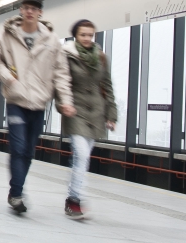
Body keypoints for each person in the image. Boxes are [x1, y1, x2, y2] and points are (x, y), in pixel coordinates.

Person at [0, 0, 75, 214]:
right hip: (16, 100)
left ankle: (15, 191)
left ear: (40, 13)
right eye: (26, 8)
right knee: (18, 148)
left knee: (28, 151)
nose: (30, 12)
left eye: (34, 9)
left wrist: (65, 100)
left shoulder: (52, 40)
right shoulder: (6, 35)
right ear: (21, 10)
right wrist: (10, 79)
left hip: (39, 103)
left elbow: (61, 73)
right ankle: (17, 194)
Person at [61, 19, 117, 220]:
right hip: (75, 111)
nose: (87, 39)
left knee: (83, 158)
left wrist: (111, 114)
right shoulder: (67, 55)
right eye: (83, 35)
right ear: (75, 35)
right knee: (81, 155)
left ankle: (72, 198)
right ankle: (75, 200)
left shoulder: (101, 58)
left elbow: (107, 86)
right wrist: (63, 103)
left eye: (90, 35)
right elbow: (61, 82)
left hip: (96, 113)